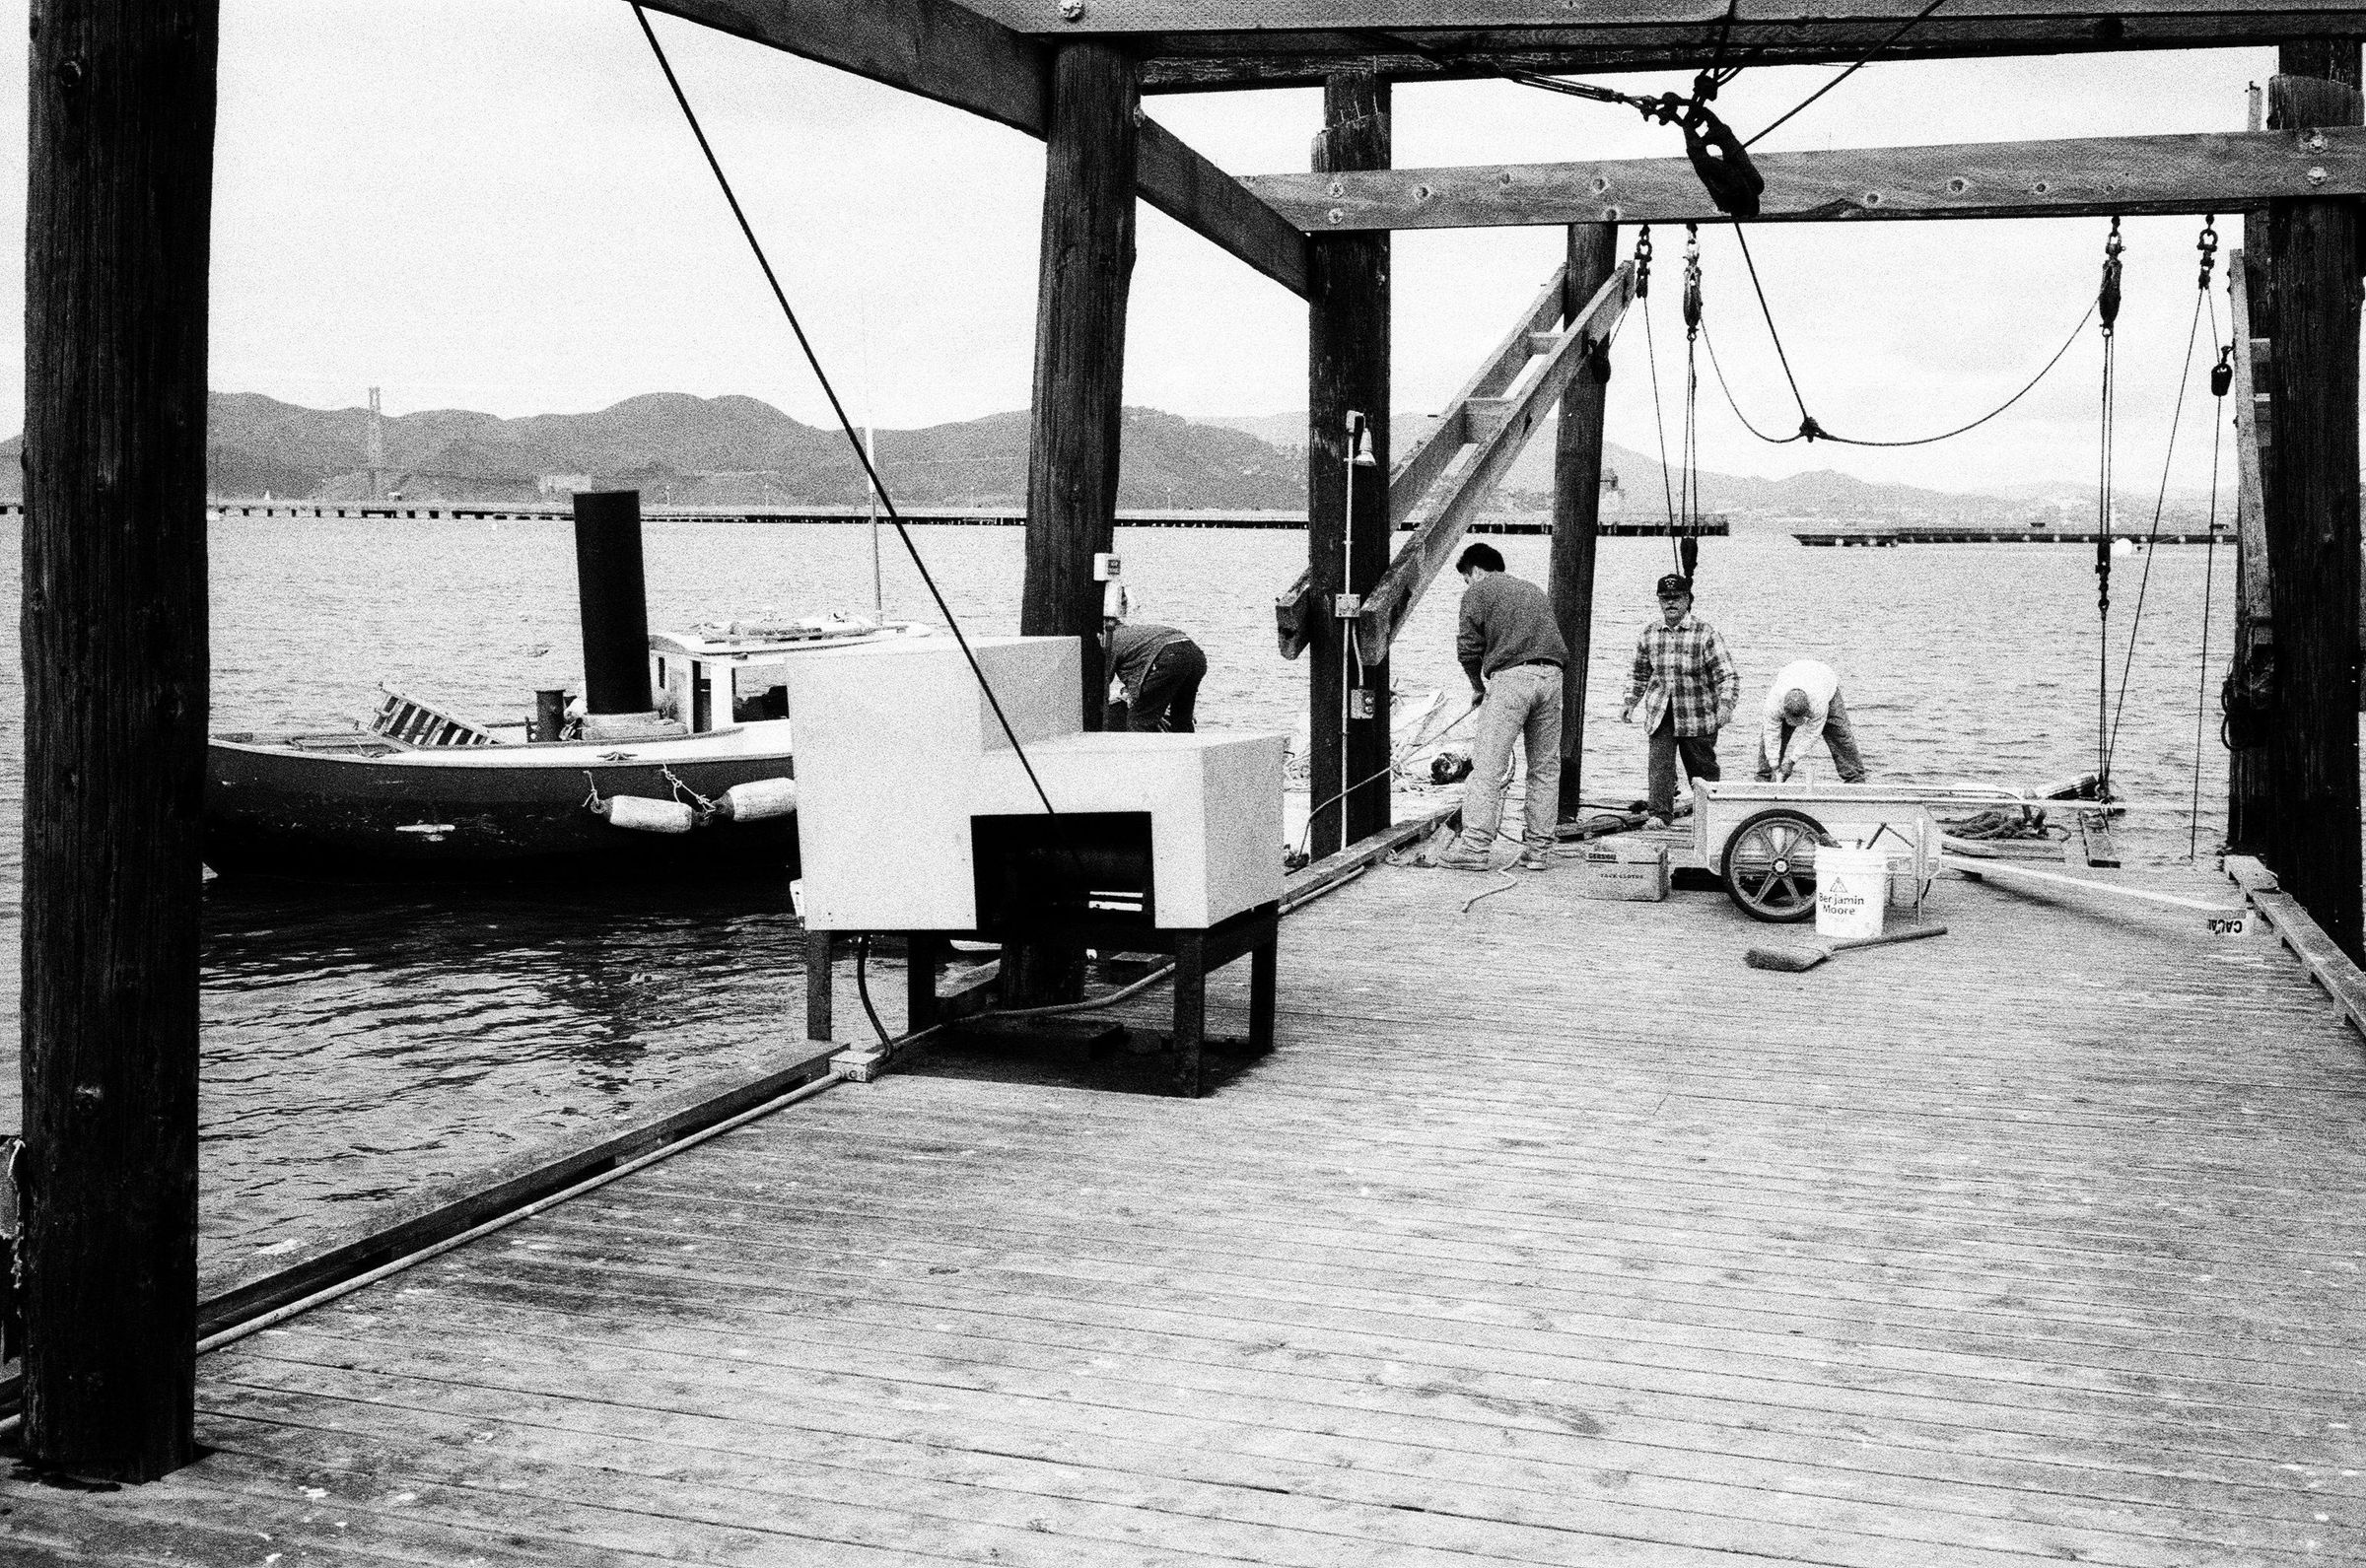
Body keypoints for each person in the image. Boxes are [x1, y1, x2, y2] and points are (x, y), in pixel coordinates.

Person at [1434, 542, 1567, 872]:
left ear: (1476, 571)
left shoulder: (1477, 592)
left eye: (1466, 578)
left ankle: (1474, 848)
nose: (1467, 584)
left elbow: (1467, 650)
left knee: (1487, 767)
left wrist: (1478, 688)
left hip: (1511, 679)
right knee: (1545, 769)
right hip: (1552, 677)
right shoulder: (1533, 590)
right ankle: (1538, 851)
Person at [1620, 573, 1739, 827]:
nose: (1670, 603)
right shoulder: (1649, 633)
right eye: (1665, 598)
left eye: (1676, 597)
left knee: (1702, 770)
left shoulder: (1706, 633)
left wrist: (1726, 705)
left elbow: (1727, 674)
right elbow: (1638, 673)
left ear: (1687, 600)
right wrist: (1630, 701)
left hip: (1697, 714)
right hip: (1660, 712)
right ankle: (1659, 815)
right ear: (1659, 601)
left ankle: (1711, 816)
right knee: (1659, 766)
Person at [1103, 592, 1207, 732]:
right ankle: (1186, 744)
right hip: (1194, 655)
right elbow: (1141, 664)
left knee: (1139, 719)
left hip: (1169, 656)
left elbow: (1103, 682)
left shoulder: (1111, 639)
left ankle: (1142, 747)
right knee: (1182, 717)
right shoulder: (1135, 633)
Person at [1756, 658, 1868, 784]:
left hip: (1824, 679)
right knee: (1770, 738)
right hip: (1793, 674)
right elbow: (1771, 734)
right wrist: (1774, 765)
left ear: (1808, 709)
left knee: (1840, 734)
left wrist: (1791, 761)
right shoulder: (1773, 704)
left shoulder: (1818, 703)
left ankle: (1855, 779)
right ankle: (1765, 778)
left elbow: (1811, 735)